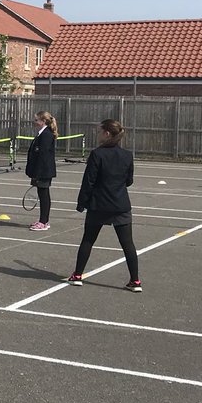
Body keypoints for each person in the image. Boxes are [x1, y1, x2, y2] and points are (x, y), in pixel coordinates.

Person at [67, 118, 141, 292]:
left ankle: (78, 275)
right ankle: (135, 281)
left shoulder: (97, 154)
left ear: (107, 133)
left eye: (100, 131)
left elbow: (88, 182)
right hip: (120, 205)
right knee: (127, 244)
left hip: (99, 205)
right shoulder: (127, 155)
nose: (98, 134)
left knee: (88, 240)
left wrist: (81, 203)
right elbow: (129, 181)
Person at [24, 110, 58, 230]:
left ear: (43, 121)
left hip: (43, 171)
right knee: (42, 194)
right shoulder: (41, 134)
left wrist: (37, 172)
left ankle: (44, 222)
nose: (35, 122)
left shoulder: (46, 134)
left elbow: (43, 155)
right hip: (40, 170)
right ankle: (43, 220)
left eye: (36, 120)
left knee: (44, 196)